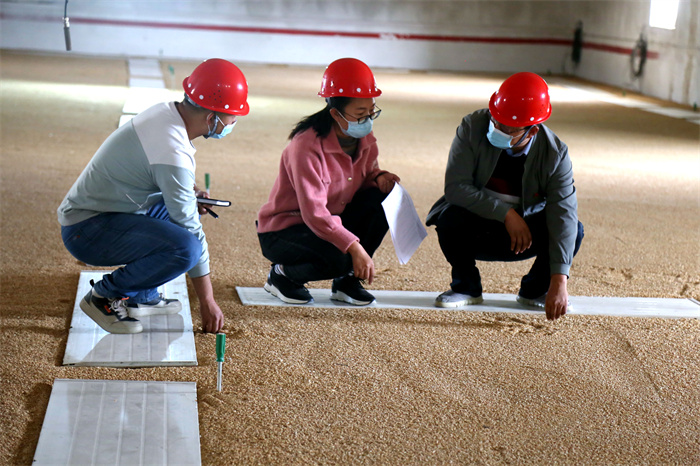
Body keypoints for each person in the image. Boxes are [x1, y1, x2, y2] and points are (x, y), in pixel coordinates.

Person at [58, 58, 249, 334]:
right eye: (232, 117)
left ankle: (141, 295)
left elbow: (161, 174)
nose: (233, 123)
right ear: (211, 118)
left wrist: (191, 192)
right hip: (87, 230)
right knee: (187, 248)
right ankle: (103, 296)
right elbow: (190, 230)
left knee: (179, 216)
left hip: (101, 214)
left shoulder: (167, 114)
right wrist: (207, 301)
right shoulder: (172, 148)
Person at [426, 72, 584, 321]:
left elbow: (563, 214)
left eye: (507, 129)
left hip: (524, 237)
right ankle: (465, 287)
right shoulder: (471, 126)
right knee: (449, 217)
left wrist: (559, 281)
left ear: (531, 132)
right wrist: (506, 213)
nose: (496, 129)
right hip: (478, 227)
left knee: (574, 229)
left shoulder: (555, 154)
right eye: (495, 120)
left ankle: (535, 291)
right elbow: (456, 187)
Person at [257, 57, 400, 306]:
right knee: (340, 257)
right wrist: (355, 247)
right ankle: (282, 275)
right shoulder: (306, 146)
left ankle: (347, 281)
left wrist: (379, 177)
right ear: (335, 113)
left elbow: (364, 175)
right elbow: (315, 215)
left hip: (332, 219)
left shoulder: (364, 139)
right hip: (286, 230)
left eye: (371, 111)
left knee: (383, 197)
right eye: (360, 113)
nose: (367, 120)